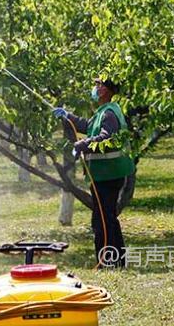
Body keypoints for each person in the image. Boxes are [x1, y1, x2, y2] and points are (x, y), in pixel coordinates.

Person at [53, 77, 135, 268]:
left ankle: (108, 261)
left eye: (98, 85)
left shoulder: (109, 114)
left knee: (103, 220)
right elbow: (87, 126)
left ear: (106, 90)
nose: (95, 88)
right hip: (103, 175)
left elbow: (106, 137)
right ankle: (114, 260)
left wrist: (82, 144)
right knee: (105, 217)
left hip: (109, 175)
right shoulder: (103, 112)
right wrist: (68, 116)